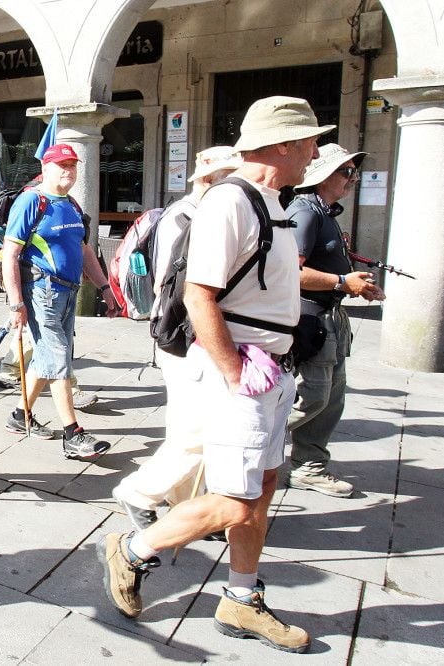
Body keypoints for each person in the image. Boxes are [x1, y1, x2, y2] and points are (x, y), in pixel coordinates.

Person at [98, 96, 331, 654]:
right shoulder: (232, 201)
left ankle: (241, 598)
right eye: (309, 142)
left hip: (269, 366)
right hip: (241, 369)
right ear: (281, 145)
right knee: (233, 501)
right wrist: (234, 370)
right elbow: (198, 294)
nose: (315, 153)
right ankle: (131, 550)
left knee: (263, 488)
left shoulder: (272, 201)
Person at [111, 146, 242, 530]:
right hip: (186, 333)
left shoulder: (207, 215)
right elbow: (179, 285)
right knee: (199, 426)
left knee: (190, 423)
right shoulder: (184, 218)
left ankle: (185, 503)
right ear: (207, 179)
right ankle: (141, 491)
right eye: (229, 176)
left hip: (196, 332)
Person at [0, 143, 116, 460]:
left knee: (46, 358)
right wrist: (15, 304)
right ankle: (72, 434)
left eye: (72, 165)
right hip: (41, 291)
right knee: (58, 357)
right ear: (46, 168)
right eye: (61, 165)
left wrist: (105, 287)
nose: (68, 171)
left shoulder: (72, 205)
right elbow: (10, 254)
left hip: (68, 292)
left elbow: (84, 250)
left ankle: (19, 414)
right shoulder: (31, 201)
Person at [286, 143, 384, 497]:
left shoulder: (325, 212)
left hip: (330, 315)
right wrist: (343, 282)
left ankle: (308, 465)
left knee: (331, 398)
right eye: (347, 171)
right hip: (310, 317)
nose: (352, 179)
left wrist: (355, 285)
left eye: (353, 171)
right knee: (314, 396)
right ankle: (246, 443)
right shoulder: (305, 212)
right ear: (324, 175)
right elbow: (289, 272)